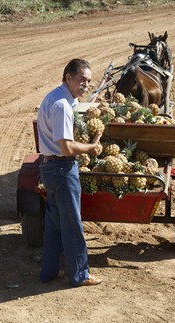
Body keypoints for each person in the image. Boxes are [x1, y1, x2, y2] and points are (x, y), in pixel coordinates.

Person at [36, 58, 103, 287]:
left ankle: (49, 272)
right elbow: (67, 147)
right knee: (73, 224)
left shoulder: (58, 98)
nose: (86, 85)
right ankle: (80, 276)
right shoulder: (62, 106)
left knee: (54, 224)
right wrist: (92, 147)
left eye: (89, 81)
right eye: (82, 80)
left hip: (49, 167)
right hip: (63, 168)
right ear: (68, 78)